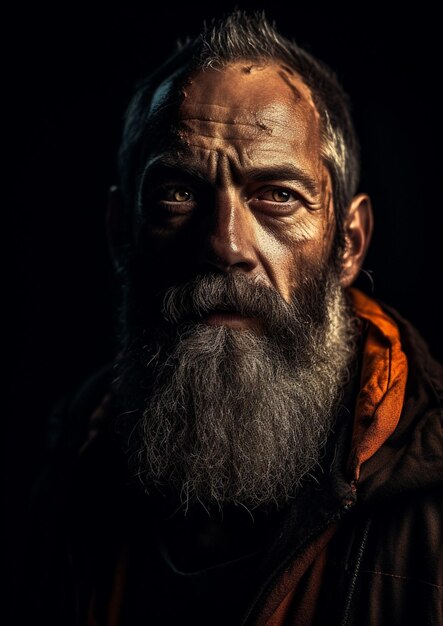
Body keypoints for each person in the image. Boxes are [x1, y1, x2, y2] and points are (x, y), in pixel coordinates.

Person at [11, 10, 442, 626]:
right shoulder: (72, 468)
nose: (225, 243)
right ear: (119, 233)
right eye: (178, 193)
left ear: (348, 244)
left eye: (278, 195)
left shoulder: (431, 507)